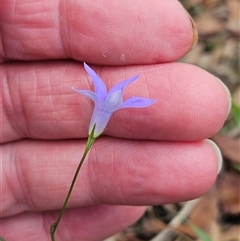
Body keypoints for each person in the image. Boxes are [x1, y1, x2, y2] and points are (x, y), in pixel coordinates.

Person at [0, 0, 231, 240]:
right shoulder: (101, 98)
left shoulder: (108, 102)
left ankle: (54, 231)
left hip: (95, 127)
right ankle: (54, 231)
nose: (116, 97)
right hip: (94, 127)